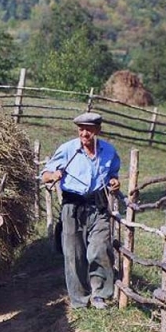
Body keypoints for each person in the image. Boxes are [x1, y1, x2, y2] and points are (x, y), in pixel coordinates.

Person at [41, 112, 121, 309]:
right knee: (74, 254)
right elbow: (44, 175)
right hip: (72, 207)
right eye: (81, 129)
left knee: (100, 249)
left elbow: (113, 174)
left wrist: (114, 182)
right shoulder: (68, 150)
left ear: (98, 130)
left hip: (98, 206)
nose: (85, 133)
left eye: (89, 129)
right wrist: (54, 175)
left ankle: (99, 295)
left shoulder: (108, 151)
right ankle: (79, 300)